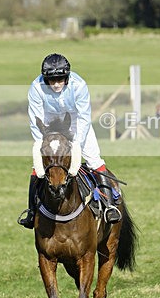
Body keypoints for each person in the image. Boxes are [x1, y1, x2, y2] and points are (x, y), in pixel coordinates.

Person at [18, 53, 121, 228]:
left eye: (60, 79)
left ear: (67, 77)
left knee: (94, 160)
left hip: (75, 122)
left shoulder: (79, 85)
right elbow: (36, 119)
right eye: (52, 80)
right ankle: (31, 211)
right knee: (38, 167)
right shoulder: (36, 87)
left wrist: (76, 145)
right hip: (49, 125)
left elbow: (84, 117)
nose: (56, 84)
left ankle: (110, 207)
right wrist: (42, 144)